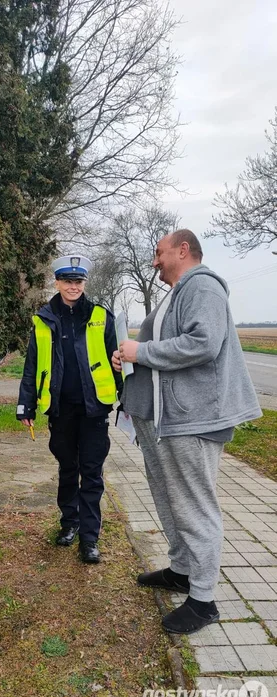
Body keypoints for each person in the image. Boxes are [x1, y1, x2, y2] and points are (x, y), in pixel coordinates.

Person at [114, 229, 262, 634]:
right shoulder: (177, 293)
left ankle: (203, 600)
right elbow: (168, 347)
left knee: (195, 506)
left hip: (192, 420)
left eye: (159, 253)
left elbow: (203, 343)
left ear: (183, 250)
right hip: (167, 421)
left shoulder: (204, 288)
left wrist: (140, 352)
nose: (155, 261)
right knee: (170, 500)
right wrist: (129, 358)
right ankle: (182, 570)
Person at [16, 256, 123, 563]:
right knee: (67, 469)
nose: (73, 286)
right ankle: (69, 523)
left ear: (84, 284)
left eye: (78, 282)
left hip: (94, 411)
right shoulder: (44, 318)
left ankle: (89, 539)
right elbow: (32, 365)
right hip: (59, 409)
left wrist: (126, 396)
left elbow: (119, 361)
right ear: (58, 283)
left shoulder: (101, 316)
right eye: (67, 281)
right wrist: (26, 405)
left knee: (91, 473)